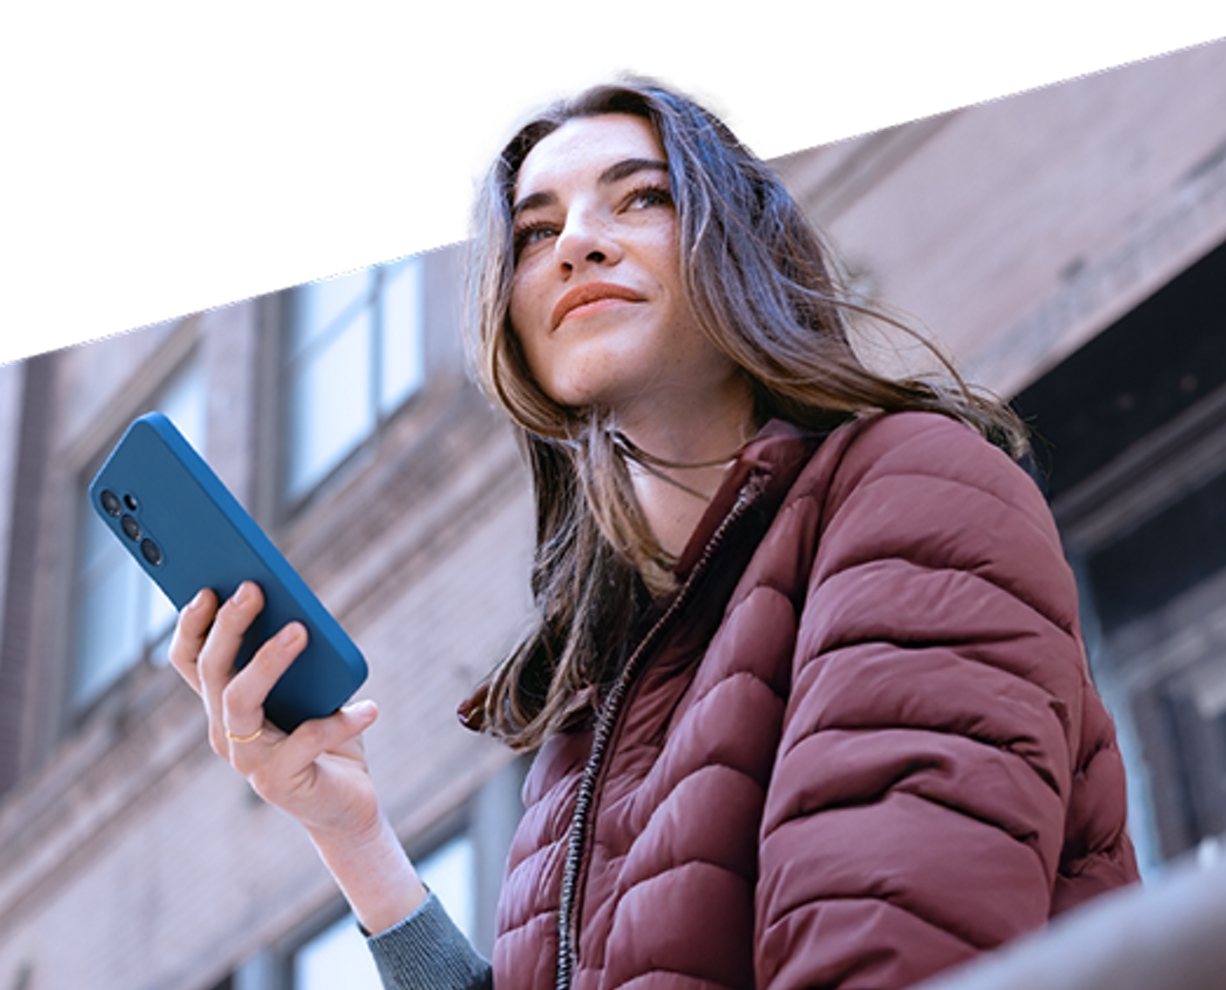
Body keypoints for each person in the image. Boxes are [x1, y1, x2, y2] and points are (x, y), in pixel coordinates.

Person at [169, 79, 1139, 990]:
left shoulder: (910, 491)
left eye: (637, 200)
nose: (574, 244)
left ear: (738, 247)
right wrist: (352, 836)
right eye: (534, 229)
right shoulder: (598, 710)